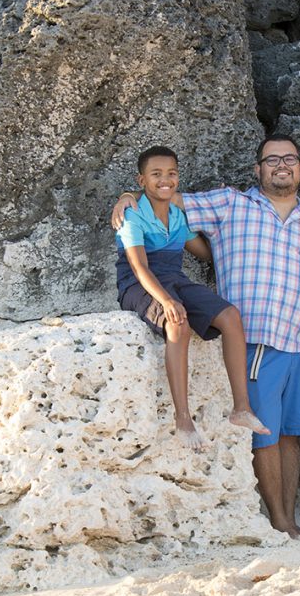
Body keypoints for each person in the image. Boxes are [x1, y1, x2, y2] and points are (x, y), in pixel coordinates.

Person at [113, 135, 300, 537]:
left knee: (292, 435)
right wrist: (126, 195)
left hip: (298, 343)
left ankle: (291, 519)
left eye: (289, 159)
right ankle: (277, 520)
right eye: (272, 160)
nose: (281, 166)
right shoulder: (231, 203)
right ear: (258, 169)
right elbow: (166, 195)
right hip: (256, 341)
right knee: (266, 436)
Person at [111, 144, 273, 447]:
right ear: (141, 180)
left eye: (171, 173)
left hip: (175, 279)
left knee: (230, 315)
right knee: (178, 323)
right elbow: (138, 267)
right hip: (137, 284)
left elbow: (207, 253)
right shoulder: (132, 215)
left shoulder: (177, 216)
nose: (165, 180)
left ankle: (242, 407)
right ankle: (183, 419)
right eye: (156, 174)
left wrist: (239, 237)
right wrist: (168, 302)